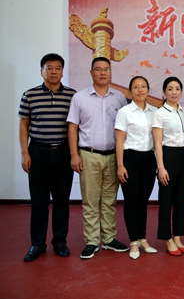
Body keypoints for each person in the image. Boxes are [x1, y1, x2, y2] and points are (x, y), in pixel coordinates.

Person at [67, 56, 129, 259]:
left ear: (111, 72)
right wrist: (74, 155)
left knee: (110, 201)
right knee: (90, 201)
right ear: (91, 72)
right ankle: (92, 241)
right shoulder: (80, 98)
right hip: (88, 155)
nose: (103, 73)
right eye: (98, 69)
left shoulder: (119, 98)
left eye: (106, 69)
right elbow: (73, 127)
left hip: (112, 156)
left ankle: (109, 239)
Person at [19, 53, 77, 262]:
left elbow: (75, 127)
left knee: (62, 200)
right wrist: (25, 153)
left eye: (58, 68)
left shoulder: (72, 96)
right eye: (49, 68)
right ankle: (38, 244)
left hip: (62, 152)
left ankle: (60, 241)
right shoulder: (30, 95)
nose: (53, 72)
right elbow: (24, 125)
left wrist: (74, 154)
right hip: (38, 151)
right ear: (41, 71)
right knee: (39, 201)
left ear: (62, 71)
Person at [115, 76, 158, 260]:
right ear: (130, 91)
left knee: (143, 201)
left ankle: (142, 239)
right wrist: (120, 165)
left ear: (148, 90)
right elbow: (119, 140)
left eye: (143, 87)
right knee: (131, 201)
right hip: (130, 158)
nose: (140, 90)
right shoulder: (124, 112)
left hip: (149, 159)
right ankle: (133, 241)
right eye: (136, 87)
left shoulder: (154, 112)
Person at [153, 76, 184, 256]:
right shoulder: (160, 113)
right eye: (170, 89)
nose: (174, 92)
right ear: (164, 92)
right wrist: (161, 167)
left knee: (181, 200)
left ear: (181, 91)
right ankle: (167, 238)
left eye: (177, 89)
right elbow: (157, 143)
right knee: (166, 200)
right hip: (168, 156)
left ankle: (177, 236)